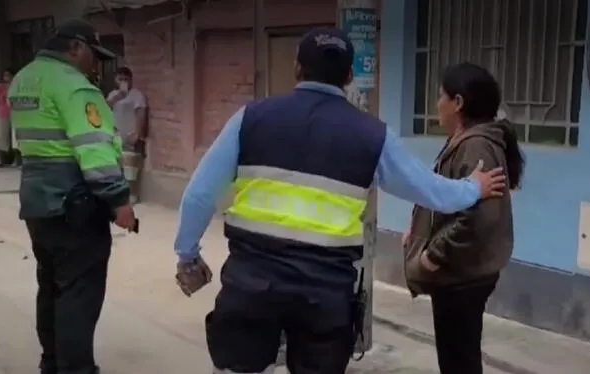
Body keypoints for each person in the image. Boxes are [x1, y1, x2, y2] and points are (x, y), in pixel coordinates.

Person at [173, 28, 506, 374]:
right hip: (323, 293)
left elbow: (199, 195)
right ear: (349, 77)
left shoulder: (249, 119)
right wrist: (473, 188)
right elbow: (430, 190)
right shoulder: (372, 135)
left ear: (297, 68)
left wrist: (188, 254)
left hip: (251, 283)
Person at [8, 19, 137, 374]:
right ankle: (76, 368)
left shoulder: (24, 78)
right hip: (74, 204)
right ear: (75, 47)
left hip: (37, 201)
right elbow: (93, 149)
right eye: (93, 55)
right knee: (78, 292)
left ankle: (51, 362)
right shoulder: (76, 88)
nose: (94, 64)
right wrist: (118, 200)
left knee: (50, 285)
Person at [402, 62, 525, 374]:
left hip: (460, 275)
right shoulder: (467, 141)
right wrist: (418, 231)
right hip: (460, 274)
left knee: (459, 362)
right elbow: (448, 196)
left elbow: (477, 219)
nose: (436, 104)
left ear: (457, 103)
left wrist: (432, 253)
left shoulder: (476, 146)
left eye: (441, 96)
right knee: (458, 359)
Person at [107, 66, 147, 203]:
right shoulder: (113, 95)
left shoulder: (136, 95)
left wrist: (138, 133)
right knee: (118, 166)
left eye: (126, 79)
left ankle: (133, 195)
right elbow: (105, 110)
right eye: (120, 79)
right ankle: (120, 195)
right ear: (115, 80)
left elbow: (141, 114)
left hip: (130, 135)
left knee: (131, 168)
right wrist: (117, 97)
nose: (124, 82)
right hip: (116, 135)